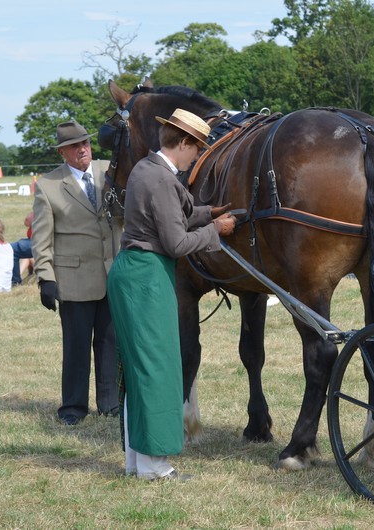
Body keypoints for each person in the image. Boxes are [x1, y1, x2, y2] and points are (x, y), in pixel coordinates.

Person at [106, 108, 236, 481]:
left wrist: (209, 211)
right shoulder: (162, 179)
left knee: (140, 370)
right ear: (183, 143)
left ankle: (137, 462)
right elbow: (177, 242)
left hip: (136, 274)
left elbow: (175, 213)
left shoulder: (149, 169)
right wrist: (217, 229)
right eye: (196, 150)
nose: (197, 157)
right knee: (157, 370)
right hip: (146, 277)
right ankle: (156, 467)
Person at [31, 120, 118, 425]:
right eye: (74, 146)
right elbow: (41, 237)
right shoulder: (48, 185)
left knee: (110, 344)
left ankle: (110, 403)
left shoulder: (110, 170)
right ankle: (73, 407)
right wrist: (46, 278)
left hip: (113, 274)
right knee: (77, 347)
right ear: (62, 152)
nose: (82, 149)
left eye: (85, 143)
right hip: (74, 278)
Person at [10, 211, 34, 286]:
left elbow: (28, 220)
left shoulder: (42, 206)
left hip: (39, 242)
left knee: (11, 249)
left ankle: (15, 281)